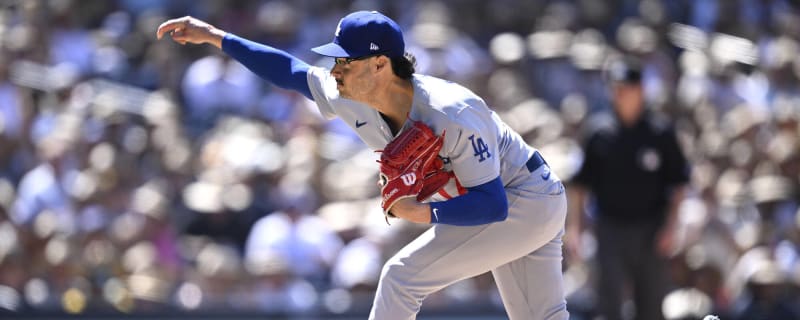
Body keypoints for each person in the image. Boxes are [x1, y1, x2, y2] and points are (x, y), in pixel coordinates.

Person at [157, 11, 568, 319]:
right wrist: (218, 38)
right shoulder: (350, 92)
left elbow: (493, 205)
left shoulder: (451, 111)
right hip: (522, 203)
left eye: (345, 61)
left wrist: (422, 212)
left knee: (401, 278)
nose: (335, 70)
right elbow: (291, 71)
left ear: (379, 65)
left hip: (522, 199)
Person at [565, 57, 690, 320]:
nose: (620, 94)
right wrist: (576, 228)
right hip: (610, 228)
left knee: (651, 302)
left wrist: (671, 226)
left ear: (640, 90)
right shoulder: (598, 132)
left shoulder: (660, 133)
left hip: (651, 229)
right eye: (616, 87)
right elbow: (580, 185)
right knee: (608, 300)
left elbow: (678, 183)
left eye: (627, 87)